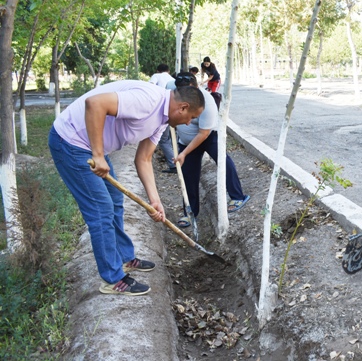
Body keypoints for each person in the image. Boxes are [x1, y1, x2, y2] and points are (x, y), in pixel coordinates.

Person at [48, 80, 204, 295]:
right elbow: (95, 103)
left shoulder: (162, 120)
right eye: (191, 118)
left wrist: (154, 200)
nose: (189, 123)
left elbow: (144, 159)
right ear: (183, 107)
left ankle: (124, 258)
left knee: (114, 199)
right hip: (71, 143)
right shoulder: (149, 100)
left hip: (90, 147)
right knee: (101, 210)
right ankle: (113, 279)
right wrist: (98, 155)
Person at [166, 72, 250, 228]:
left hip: (208, 136)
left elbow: (203, 133)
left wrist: (183, 153)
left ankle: (237, 196)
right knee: (188, 176)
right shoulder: (172, 91)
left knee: (223, 162)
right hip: (185, 140)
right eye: (180, 90)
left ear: (195, 88)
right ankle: (190, 213)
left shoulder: (207, 102)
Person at [149, 64, 179, 174]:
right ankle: (177, 162)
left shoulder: (156, 76)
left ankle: (174, 165)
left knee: (164, 140)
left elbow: (150, 88)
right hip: (175, 112)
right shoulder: (172, 79)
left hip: (162, 111)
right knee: (172, 139)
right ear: (168, 70)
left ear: (158, 70)